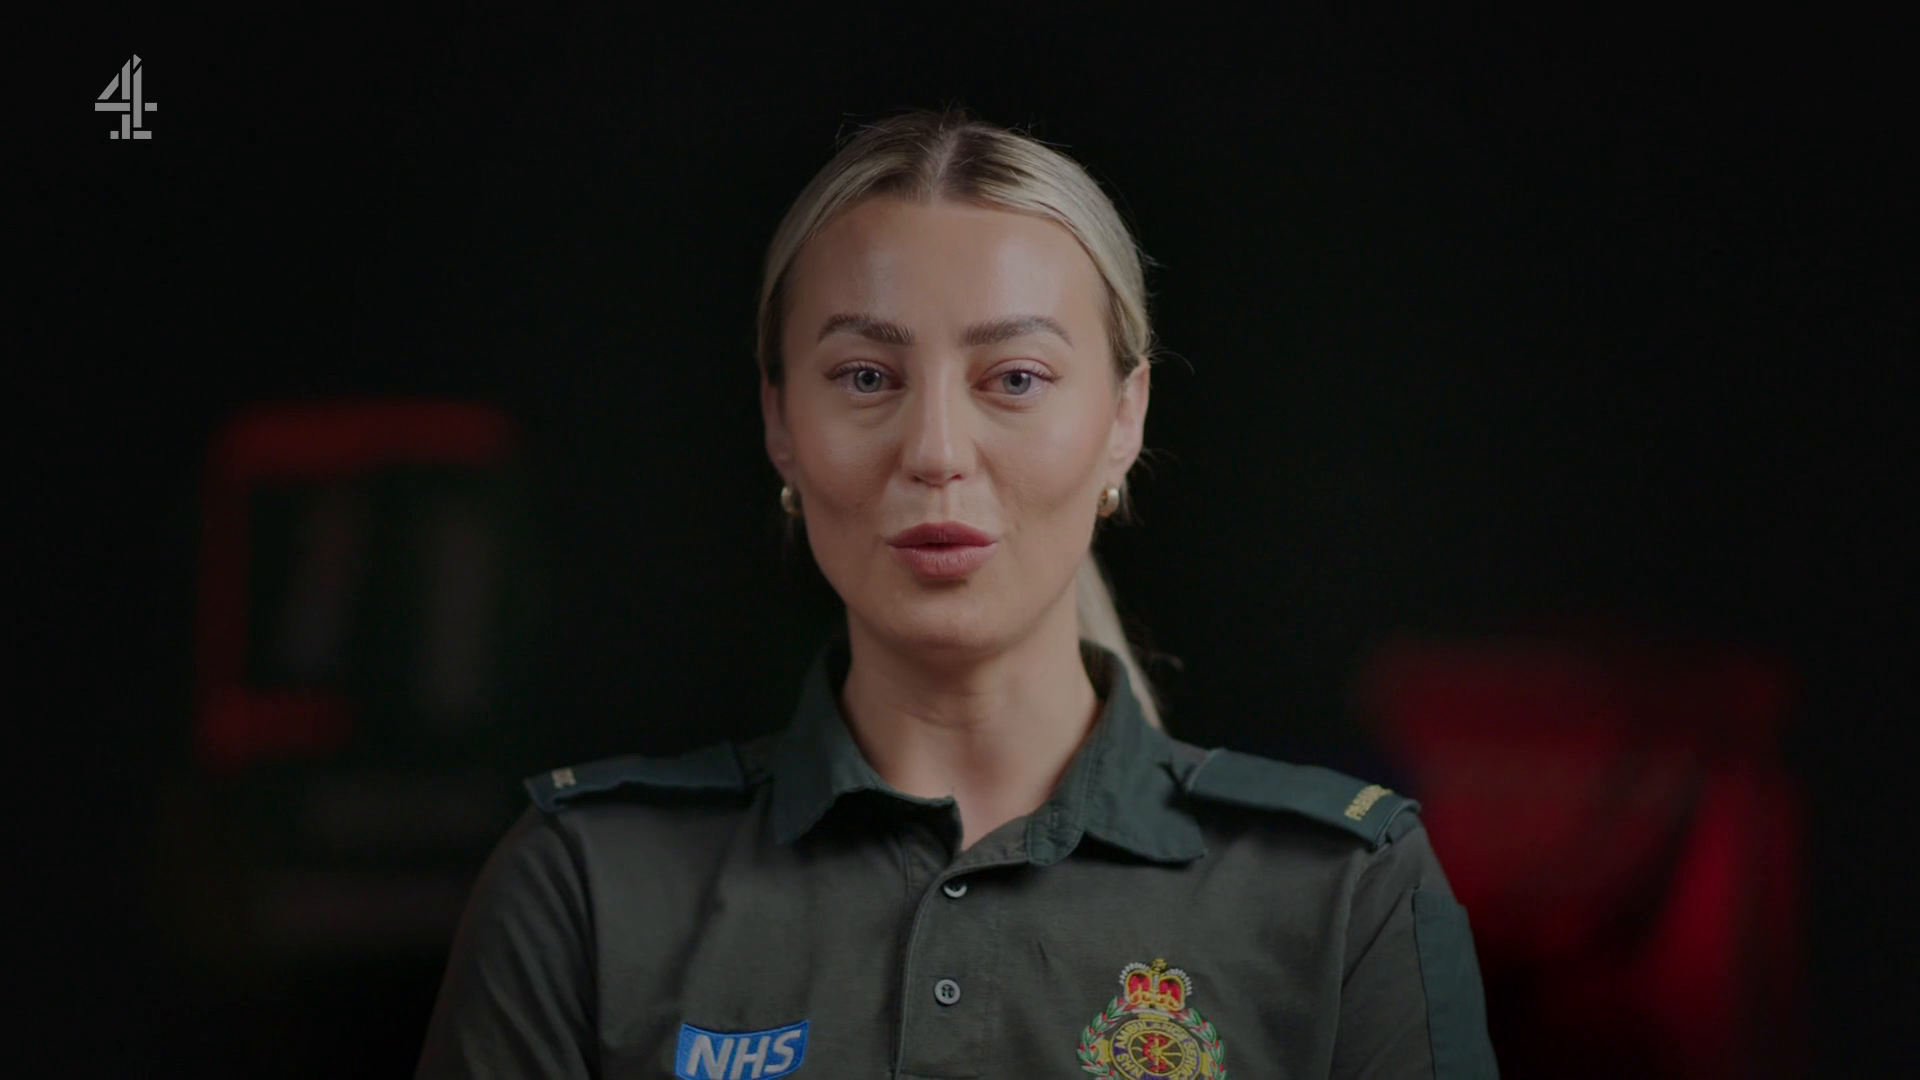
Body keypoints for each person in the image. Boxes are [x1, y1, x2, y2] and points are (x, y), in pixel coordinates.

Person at [416, 106, 1499, 1079]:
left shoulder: (1342, 893)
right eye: (866, 377)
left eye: (1015, 379)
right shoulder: (590, 890)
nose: (936, 451)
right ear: (780, 422)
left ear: (1125, 417)